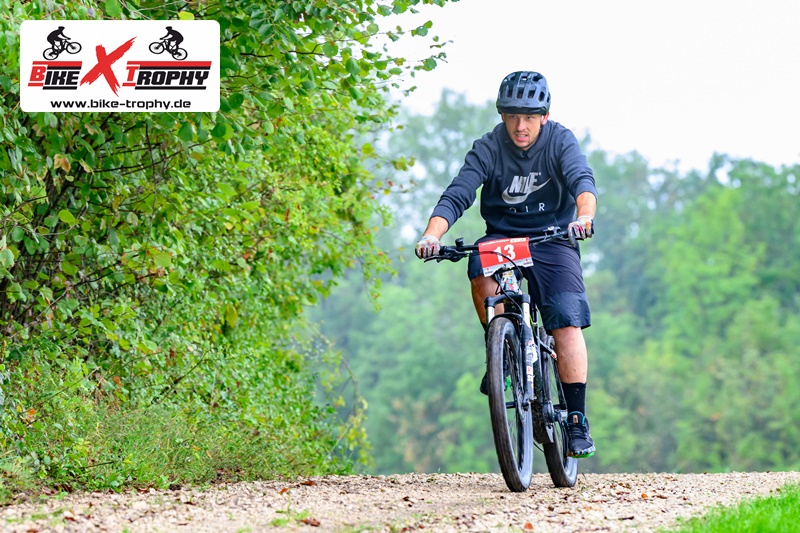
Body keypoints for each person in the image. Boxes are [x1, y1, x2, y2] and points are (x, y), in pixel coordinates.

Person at [414, 71, 597, 458]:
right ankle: (502, 350)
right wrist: (432, 235)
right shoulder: (488, 147)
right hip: (503, 238)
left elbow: (582, 181)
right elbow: (458, 193)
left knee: (565, 320)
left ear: (544, 116)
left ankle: (577, 419)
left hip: (552, 238)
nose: (520, 126)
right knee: (478, 265)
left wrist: (583, 217)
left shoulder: (560, 141)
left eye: (529, 117)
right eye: (512, 116)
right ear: (502, 116)